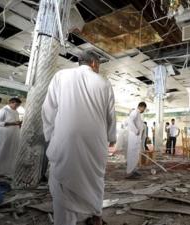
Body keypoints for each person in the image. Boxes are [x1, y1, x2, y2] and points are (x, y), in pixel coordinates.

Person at [42, 50, 116, 225]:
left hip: (65, 138)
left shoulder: (61, 76)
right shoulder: (105, 83)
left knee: (65, 178)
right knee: (94, 179)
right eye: (98, 65)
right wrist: (111, 137)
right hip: (95, 141)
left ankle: (65, 221)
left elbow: (48, 108)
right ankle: (95, 215)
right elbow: (110, 115)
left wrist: (51, 134)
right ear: (93, 63)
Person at [0, 97, 22, 177]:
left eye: (18, 105)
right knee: (1, 152)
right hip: (3, 136)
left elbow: (15, 123)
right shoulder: (3, 111)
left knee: (10, 153)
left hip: (13, 136)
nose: (17, 107)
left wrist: (19, 124)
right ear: (11, 102)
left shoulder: (16, 112)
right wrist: (13, 123)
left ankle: (7, 171)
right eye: (16, 105)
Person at [126, 102, 147, 178]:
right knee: (132, 155)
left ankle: (134, 170)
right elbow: (130, 121)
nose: (144, 110)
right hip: (134, 137)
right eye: (144, 109)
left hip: (136, 138)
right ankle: (130, 172)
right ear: (141, 107)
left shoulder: (138, 113)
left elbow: (138, 124)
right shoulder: (135, 112)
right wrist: (136, 130)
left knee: (135, 155)